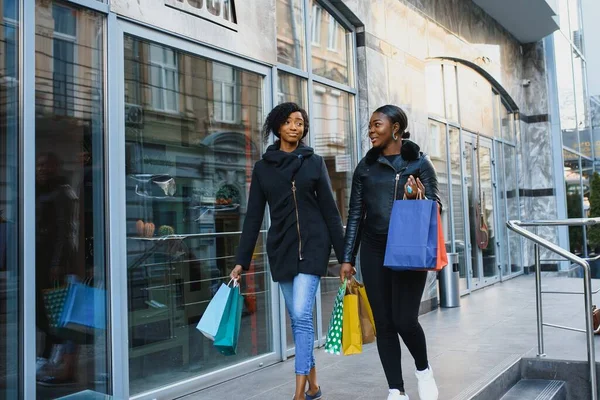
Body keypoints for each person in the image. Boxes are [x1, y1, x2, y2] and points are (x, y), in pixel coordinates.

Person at [230, 102, 344, 400]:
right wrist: (241, 261)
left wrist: (345, 257)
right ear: (278, 126)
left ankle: (297, 393)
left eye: (301, 122)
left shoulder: (314, 162)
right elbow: (253, 217)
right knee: (298, 318)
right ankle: (315, 386)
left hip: (314, 248)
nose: (296, 126)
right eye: (291, 122)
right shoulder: (263, 169)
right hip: (281, 250)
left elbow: (331, 213)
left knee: (302, 316)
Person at [340, 105, 441, 400]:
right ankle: (396, 390)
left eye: (377, 125)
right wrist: (347, 258)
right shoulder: (365, 167)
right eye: (370, 125)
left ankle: (423, 370)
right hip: (373, 249)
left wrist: (416, 196)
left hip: (407, 247)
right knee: (383, 322)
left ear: (395, 127)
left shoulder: (420, 164)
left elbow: (435, 209)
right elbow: (355, 214)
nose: (371, 130)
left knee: (405, 320)